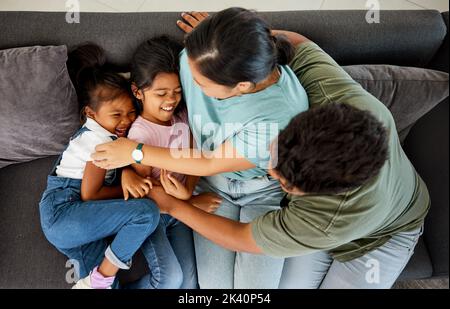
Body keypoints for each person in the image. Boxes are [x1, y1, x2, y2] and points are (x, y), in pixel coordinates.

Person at [92, 9, 430, 289]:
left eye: (282, 180)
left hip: (381, 235)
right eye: (274, 159)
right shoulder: (330, 93)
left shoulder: (327, 216)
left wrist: (172, 205)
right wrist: (233, 46)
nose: (268, 170)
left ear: (307, 193)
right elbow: (300, 44)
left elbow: (243, 236)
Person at [93, 8, 309, 288]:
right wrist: (220, 35)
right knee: (210, 290)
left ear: (240, 86)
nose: (190, 85)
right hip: (211, 186)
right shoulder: (196, 58)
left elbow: (209, 161)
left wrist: (136, 151)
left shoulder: (278, 115)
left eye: (200, 83)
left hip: (260, 193)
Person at [38, 44, 160, 289]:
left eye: (130, 113)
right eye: (116, 115)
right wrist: (132, 191)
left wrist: (126, 174)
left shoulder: (103, 134)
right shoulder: (98, 140)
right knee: (146, 213)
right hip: (66, 213)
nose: (126, 121)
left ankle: (98, 280)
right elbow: (90, 194)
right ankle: (102, 275)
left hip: (78, 229)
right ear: (90, 113)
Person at [122, 36, 219, 289]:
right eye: (161, 93)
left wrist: (188, 191)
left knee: (189, 285)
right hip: (154, 214)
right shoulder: (140, 136)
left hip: (180, 210)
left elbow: (196, 158)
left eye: (177, 92)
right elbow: (143, 194)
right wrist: (191, 202)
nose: (171, 100)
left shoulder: (183, 116)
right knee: (171, 279)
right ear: (137, 92)